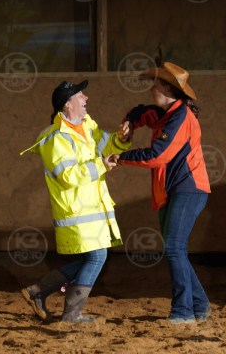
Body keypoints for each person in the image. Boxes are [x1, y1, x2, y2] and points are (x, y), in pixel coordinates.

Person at [20, 80, 131, 323]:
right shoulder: (55, 138)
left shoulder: (88, 126)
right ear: (67, 104)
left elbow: (107, 145)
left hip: (93, 208)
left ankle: (38, 291)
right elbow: (67, 176)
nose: (86, 97)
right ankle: (70, 313)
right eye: (80, 94)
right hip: (76, 211)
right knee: (97, 257)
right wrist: (101, 165)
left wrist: (121, 138)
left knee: (92, 258)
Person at [112, 62, 211, 325]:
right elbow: (142, 112)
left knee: (175, 248)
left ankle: (183, 311)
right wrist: (130, 122)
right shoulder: (169, 114)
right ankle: (199, 305)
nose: (151, 88)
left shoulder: (179, 117)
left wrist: (120, 157)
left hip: (188, 189)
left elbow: (157, 155)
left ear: (167, 89)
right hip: (177, 189)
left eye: (155, 85)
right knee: (175, 249)